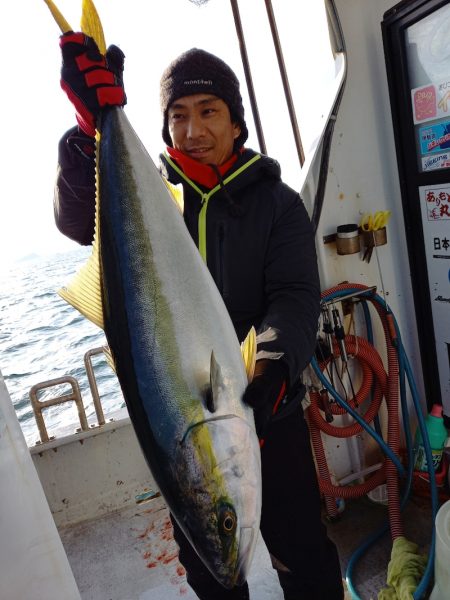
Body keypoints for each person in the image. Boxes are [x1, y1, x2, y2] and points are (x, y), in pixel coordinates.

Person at [54, 32, 344, 600]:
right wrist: (89, 136)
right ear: (164, 129)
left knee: (304, 555)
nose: (193, 130)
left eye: (209, 111)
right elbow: (75, 221)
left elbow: (293, 295)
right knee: (212, 567)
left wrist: (276, 362)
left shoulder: (278, 204)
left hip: (272, 411)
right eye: (179, 116)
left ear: (236, 123)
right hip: (176, 429)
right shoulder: (151, 194)